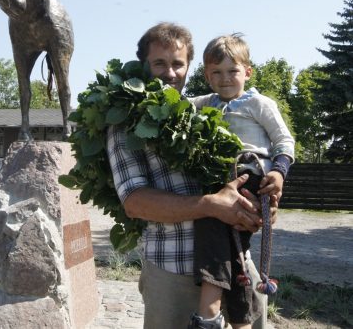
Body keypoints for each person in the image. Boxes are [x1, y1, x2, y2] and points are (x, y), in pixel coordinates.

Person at [106, 22, 274, 329]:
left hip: (236, 264)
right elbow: (135, 201)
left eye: (177, 64)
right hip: (173, 273)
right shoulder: (125, 125)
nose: (170, 73)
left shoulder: (206, 113)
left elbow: (243, 170)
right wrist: (210, 205)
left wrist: (259, 206)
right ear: (143, 66)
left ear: (189, 67)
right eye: (159, 63)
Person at [188, 34, 294, 329]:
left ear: (247, 72)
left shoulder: (259, 103)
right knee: (233, 255)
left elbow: (283, 140)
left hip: (251, 175)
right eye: (215, 73)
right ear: (206, 75)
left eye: (232, 71)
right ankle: (241, 322)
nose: (224, 79)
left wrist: (279, 172)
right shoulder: (205, 103)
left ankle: (207, 316)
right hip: (220, 179)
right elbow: (178, 107)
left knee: (210, 226)